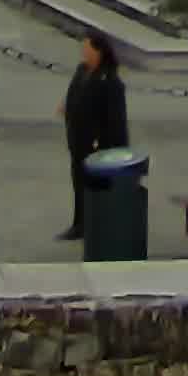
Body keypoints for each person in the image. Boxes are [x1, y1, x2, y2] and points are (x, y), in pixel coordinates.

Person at [57, 32, 129, 241]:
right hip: (78, 139)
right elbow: (74, 93)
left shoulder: (110, 81)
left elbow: (115, 120)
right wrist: (66, 106)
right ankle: (80, 224)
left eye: (88, 49)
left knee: (97, 186)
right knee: (79, 183)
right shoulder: (82, 70)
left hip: (98, 144)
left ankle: (101, 226)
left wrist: (105, 143)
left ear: (99, 52)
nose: (84, 53)